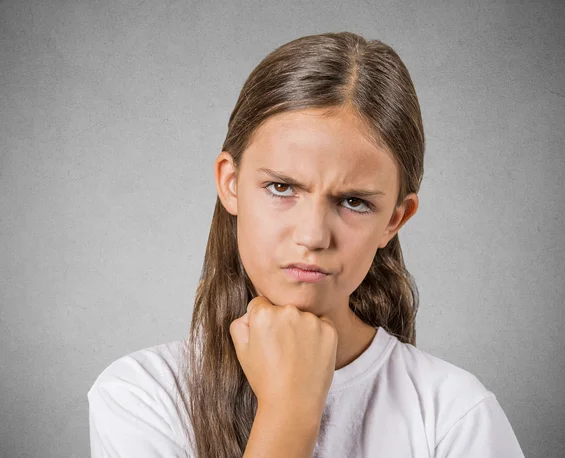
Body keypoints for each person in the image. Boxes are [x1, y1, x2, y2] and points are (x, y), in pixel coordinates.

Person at [87, 31, 526, 458]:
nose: (313, 236)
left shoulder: (454, 416)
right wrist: (289, 412)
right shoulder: (142, 396)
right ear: (231, 183)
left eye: (354, 202)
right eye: (281, 187)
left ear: (395, 218)